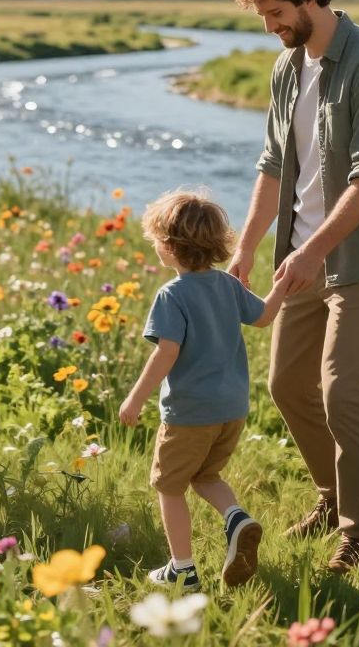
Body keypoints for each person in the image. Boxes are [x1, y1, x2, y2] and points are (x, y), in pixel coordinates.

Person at [227, 0, 359, 573]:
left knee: (343, 390)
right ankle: (334, 495)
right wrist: (249, 246)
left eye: (277, 11)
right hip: (300, 256)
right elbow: (275, 165)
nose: (271, 26)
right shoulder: (289, 67)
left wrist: (312, 249)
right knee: (287, 386)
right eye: (262, 15)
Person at [119, 189, 283, 590]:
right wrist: (281, 286)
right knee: (207, 475)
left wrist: (135, 397)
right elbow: (263, 317)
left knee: (169, 487)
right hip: (232, 410)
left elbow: (166, 354)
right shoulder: (227, 287)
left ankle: (182, 569)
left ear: (171, 247)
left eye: (157, 239)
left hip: (189, 414)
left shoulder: (171, 295)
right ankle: (237, 519)